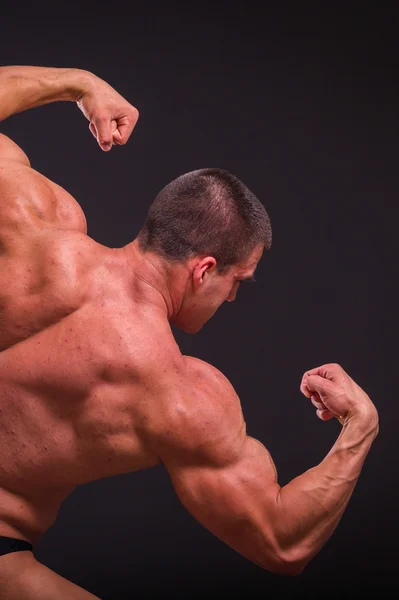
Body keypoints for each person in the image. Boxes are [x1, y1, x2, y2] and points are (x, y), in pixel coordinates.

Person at [0, 65, 379, 599]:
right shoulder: (178, 394)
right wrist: (360, 426)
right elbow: (282, 543)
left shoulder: (32, 217)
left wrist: (80, 83)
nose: (233, 297)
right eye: (236, 280)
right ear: (204, 269)